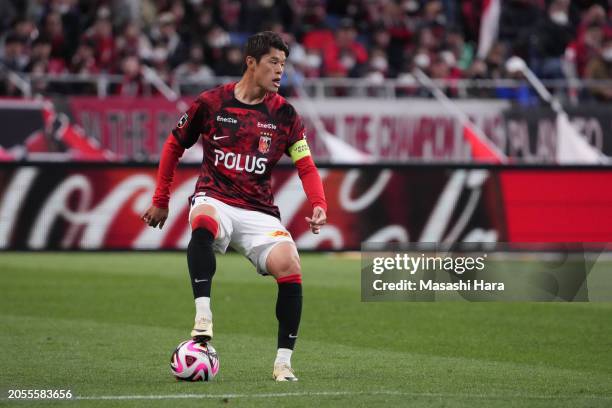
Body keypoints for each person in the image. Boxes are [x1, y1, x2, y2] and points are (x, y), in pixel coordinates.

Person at [141, 31, 327, 382]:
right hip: (216, 197)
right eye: (273, 62)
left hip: (259, 211)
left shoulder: (285, 115)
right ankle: (203, 315)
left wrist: (319, 202)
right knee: (204, 220)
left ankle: (283, 363)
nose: (279, 71)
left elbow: (306, 165)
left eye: (283, 64)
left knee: (289, 263)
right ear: (251, 63)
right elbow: (173, 145)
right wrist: (161, 200)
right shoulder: (212, 103)